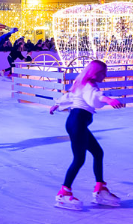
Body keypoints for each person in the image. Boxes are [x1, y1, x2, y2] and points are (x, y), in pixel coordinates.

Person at [48, 60, 125, 210]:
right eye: (103, 73)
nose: (105, 76)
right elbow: (95, 96)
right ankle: (64, 192)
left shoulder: (81, 83)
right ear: (96, 73)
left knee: (98, 152)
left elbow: (70, 96)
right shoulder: (89, 85)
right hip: (77, 123)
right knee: (79, 159)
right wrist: (109, 99)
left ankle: (100, 188)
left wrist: (57, 105)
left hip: (77, 123)